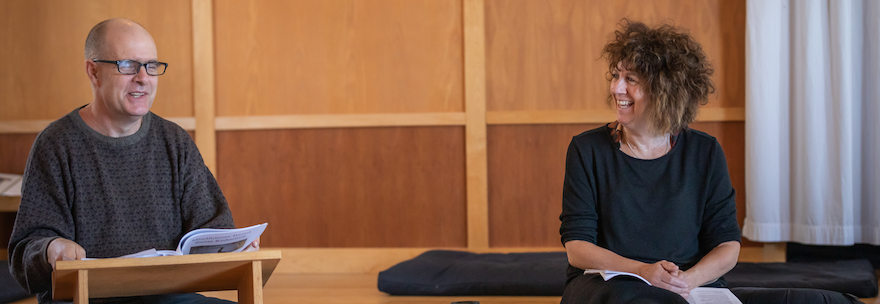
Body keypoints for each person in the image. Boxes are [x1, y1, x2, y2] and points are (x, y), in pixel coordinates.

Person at [7, 18, 257, 304]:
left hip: (168, 297)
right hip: (86, 298)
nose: (143, 77)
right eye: (127, 65)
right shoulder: (56, 145)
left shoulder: (174, 141)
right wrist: (50, 248)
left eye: (151, 66)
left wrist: (236, 245)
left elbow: (215, 226)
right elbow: (23, 254)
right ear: (93, 72)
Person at [559, 20, 741, 303]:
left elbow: (727, 245)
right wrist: (644, 272)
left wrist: (685, 281)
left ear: (666, 92)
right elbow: (577, 248)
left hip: (687, 285)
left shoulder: (705, 152)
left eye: (630, 79)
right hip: (610, 283)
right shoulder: (587, 149)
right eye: (616, 75)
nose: (617, 88)